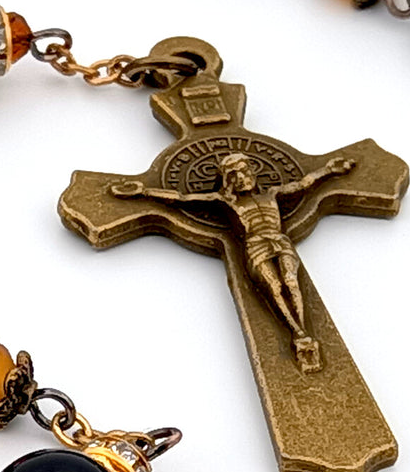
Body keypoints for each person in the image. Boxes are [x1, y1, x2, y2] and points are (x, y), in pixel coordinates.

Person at [111, 152, 357, 374]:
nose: (242, 178)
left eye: (245, 171)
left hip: (279, 241)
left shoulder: (272, 194)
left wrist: (329, 170)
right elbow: (182, 198)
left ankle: (302, 332)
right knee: (273, 286)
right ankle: (297, 333)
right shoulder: (226, 202)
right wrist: (143, 192)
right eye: (234, 175)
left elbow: (304, 184)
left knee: (292, 282)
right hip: (255, 244)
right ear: (227, 180)